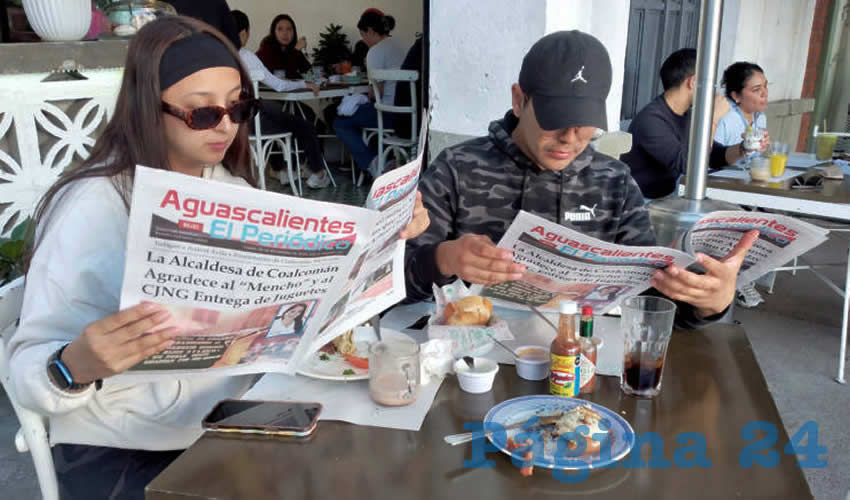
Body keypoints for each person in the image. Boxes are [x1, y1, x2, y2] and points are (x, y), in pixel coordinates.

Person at [8, 15, 430, 500]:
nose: (226, 126)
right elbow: (27, 370)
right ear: (149, 108)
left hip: (231, 416)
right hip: (124, 442)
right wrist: (74, 365)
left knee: (369, 467)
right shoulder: (90, 205)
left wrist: (379, 244)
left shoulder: (230, 188)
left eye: (239, 107)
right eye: (203, 114)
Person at [404, 31, 759, 328]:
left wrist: (708, 304)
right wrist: (443, 258)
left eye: (584, 121)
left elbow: (649, 303)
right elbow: (395, 286)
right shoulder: (457, 168)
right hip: (472, 364)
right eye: (555, 118)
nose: (570, 138)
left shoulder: (614, 181)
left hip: (581, 363)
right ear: (518, 100)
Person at [622, 48, 762, 199]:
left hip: (671, 198)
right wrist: (713, 118)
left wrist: (743, 148)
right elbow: (689, 165)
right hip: (644, 204)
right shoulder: (651, 119)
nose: (713, 91)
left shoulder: (687, 114)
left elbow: (713, 155)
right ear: (693, 82)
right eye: (710, 84)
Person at [231, 10, 330, 189]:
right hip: (254, 119)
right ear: (244, 33)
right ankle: (318, 173)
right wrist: (306, 84)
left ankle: (284, 170)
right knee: (303, 125)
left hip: (231, 121)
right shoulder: (246, 56)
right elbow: (279, 85)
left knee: (287, 118)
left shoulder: (217, 55)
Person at [333, 10, 404, 179]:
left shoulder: (375, 51)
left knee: (340, 122)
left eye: (364, 35)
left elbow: (375, 93)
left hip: (387, 114)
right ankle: (384, 160)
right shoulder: (403, 44)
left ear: (371, 31)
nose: (364, 40)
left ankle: (374, 162)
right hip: (410, 115)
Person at [714, 62, 769, 146]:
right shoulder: (724, 119)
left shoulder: (760, 117)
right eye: (756, 89)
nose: (765, 93)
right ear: (736, 96)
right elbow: (712, 156)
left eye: (765, 86)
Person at [256, 14, 311, 80]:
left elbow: (309, 72)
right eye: (280, 29)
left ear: (294, 33)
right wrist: (296, 50)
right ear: (274, 32)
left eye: (289, 29)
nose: (285, 33)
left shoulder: (292, 49)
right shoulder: (266, 48)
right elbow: (283, 74)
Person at [168, 0, 240, 48]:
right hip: (212, 62)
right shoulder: (218, 2)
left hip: (175, 63)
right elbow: (234, 43)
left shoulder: (164, 5)